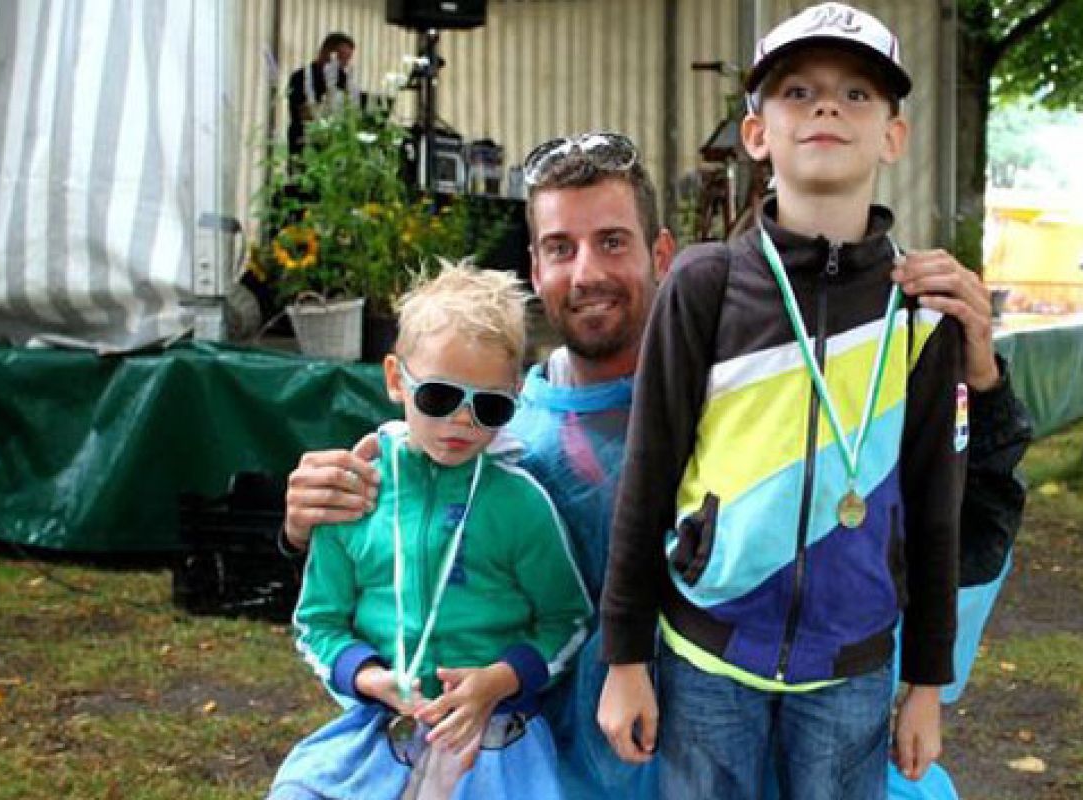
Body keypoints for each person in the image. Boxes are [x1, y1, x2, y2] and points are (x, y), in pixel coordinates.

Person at [282, 131, 1027, 798]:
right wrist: (307, 524)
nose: (585, 274)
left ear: (661, 255)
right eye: (559, 248)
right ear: (533, 267)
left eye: (612, 241)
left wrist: (982, 384)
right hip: (572, 778)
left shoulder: (767, 404)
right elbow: (409, 589)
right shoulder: (493, 432)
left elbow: (968, 530)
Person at [596, 5, 966, 797]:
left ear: (893, 137)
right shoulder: (704, 284)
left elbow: (938, 508)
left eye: (856, 94)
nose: (826, 107)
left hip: (852, 663)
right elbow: (648, 475)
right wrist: (624, 659)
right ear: (756, 132)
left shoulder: (921, 310)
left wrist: (927, 684)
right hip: (704, 655)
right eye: (797, 91)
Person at [269, 267, 592, 800]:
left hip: (497, 735)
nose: (464, 421)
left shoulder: (521, 503)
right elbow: (318, 624)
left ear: (516, 394)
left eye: (490, 406)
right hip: (379, 730)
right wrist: (369, 677)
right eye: (440, 397)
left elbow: (568, 620)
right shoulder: (358, 492)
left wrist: (498, 681)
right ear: (397, 379)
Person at [287, 33, 358, 162]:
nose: (345, 64)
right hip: (304, 142)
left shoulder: (343, 78)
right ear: (328, 53)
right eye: (342, 58)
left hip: (334, 144)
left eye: (348, 59)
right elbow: (304, 112)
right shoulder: (300, 77)